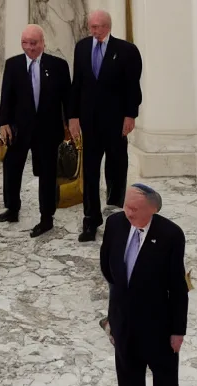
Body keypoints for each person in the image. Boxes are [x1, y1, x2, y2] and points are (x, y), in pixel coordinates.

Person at [101, 184, 188, 386]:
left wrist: (178, 330)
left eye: (134, 209)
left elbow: (178, 287)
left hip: (159, 331)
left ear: (152, 208)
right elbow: (108, 269)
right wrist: (115, 317)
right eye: (126, 206)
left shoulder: (170, 235)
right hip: (125, 328)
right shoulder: (114, 224)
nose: (127, 212)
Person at [67, 10, 143, 243]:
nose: (94, 31)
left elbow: (133, 87)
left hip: (116, 122)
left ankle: (115, 213)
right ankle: (90, 220)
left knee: (117, 167)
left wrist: (130, 115)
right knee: (89, 172)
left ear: (108, 26)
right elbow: (76, 84)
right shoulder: (81, 48)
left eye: (98, 27)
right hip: (89, 123)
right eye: (91, 26)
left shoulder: (127, 51)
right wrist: (72, 117)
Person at [0, 24, 72, 238]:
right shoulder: (13, 65)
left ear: (43, 42)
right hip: (20, 128)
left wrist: (71, 122)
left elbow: (68, 99)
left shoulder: (59, 66)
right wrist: (3, 123)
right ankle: (12, 209)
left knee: (47, 173)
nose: (29, 48)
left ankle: (46, 218)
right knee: (11, 165)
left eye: (33, 43)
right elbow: (6, 96)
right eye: (24, 43)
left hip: (48, 129)